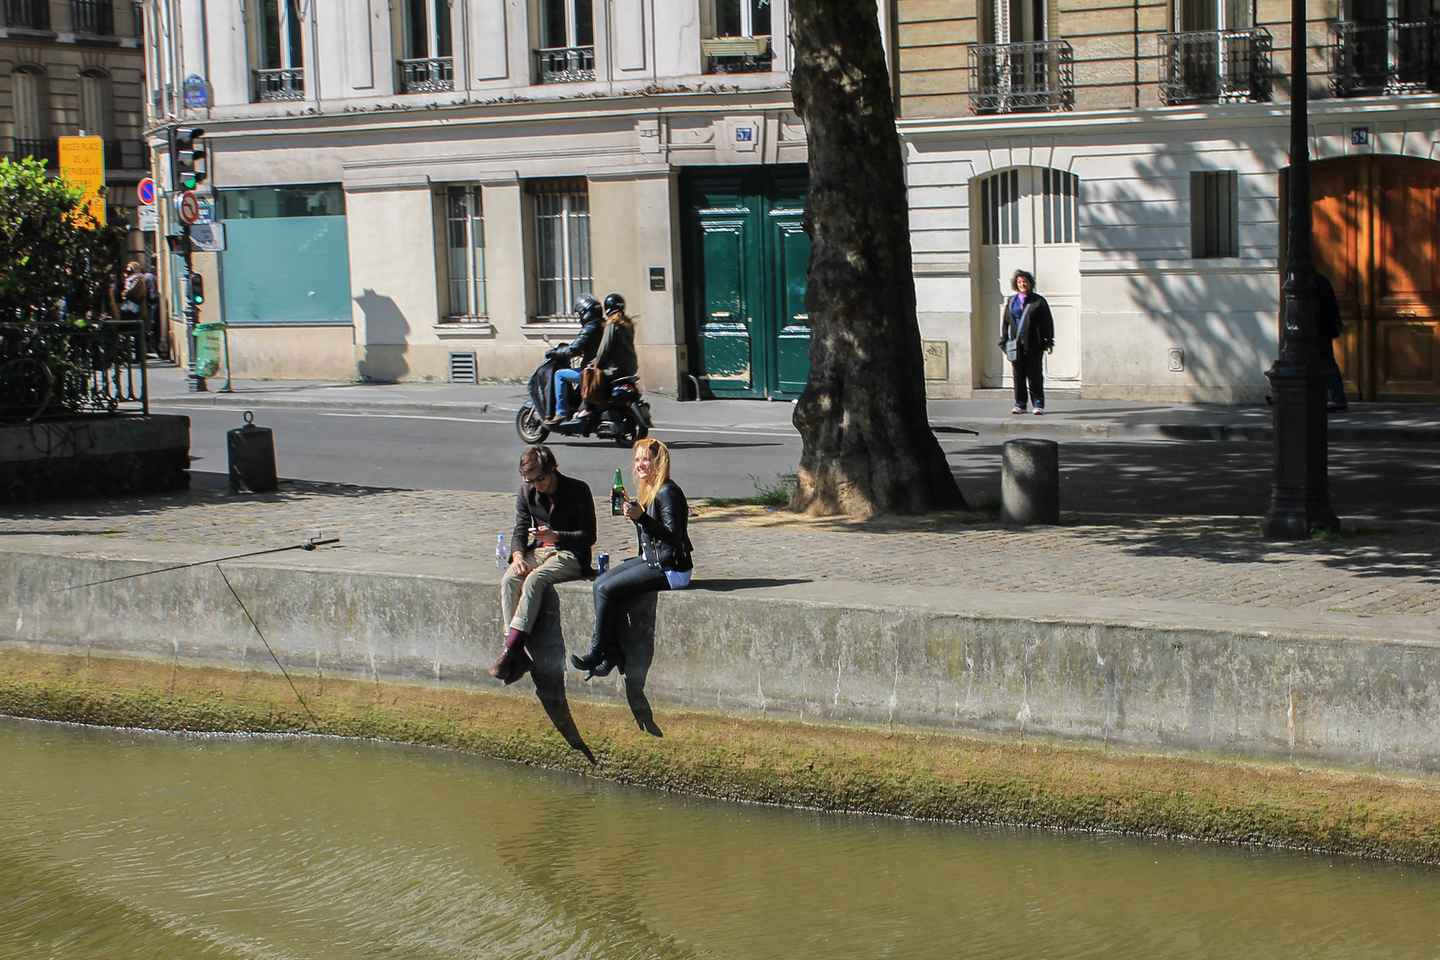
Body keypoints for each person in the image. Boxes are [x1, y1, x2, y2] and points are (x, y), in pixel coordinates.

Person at [572, 438, 694, 680]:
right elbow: (649, 535)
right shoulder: (651, 490)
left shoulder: (668, 492)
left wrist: (642, 518)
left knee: (606, 589)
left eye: (646, 459)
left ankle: (598, 652)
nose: (640, 464)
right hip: (653, 560)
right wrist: (633, 511)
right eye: (637, 460)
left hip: (671, 569)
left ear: (659, 462)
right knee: (600, 582)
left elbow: (674, 537)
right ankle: (611, 653)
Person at [490, 445, 596, 684]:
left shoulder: (578, 490)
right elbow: (520, 528)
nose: (536, 485)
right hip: (538, 551)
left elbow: (589, 536)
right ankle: (516, 651)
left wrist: (556, 536)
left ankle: (510, 650)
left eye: (540, 479)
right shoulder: (526, 491)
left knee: (535, 580)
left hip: (570, 553)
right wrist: (518, 555)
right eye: (529, 480)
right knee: (510, 579)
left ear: (553, 470)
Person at [568, 291, 639, 429]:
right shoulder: (628, 323)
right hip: (631, 367)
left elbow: (604, 347)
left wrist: (595, 362)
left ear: (607, 308)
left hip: (615, 368)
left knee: (589, 374)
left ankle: (587, 407)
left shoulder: (612, 323)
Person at [998, 268, 1055, 416]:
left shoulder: (1038, 301)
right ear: (1015, 284)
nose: (1022, 284)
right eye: (1019, 282)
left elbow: (1047, 322)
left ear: (1030, 283)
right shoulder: (1012, 301)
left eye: (1025, 281)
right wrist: (1004, 340)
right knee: (1018, 375)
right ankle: (1020, 404)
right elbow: (1006, 322)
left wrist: (1048, 340)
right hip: (1016, 344)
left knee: (1035, 375)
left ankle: (1038, 404)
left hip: (1034, 344)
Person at [546, 295, 605, 426]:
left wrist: (555, 353)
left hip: (591, 372)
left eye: (580, 314)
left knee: (559, 374)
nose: (579, 317)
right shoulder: (603, 325)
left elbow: (574, 349)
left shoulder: (590, 328)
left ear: (585, 312)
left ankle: (560, 412)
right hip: (602, 368)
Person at [1315, 271, 1348, 412]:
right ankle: (1334, 397)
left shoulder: (1314, 281)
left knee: (1327, 363)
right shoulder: (1319, 280)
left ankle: (1336, 398)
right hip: (1320, 329)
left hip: (1319, 330)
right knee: (1326, 363)